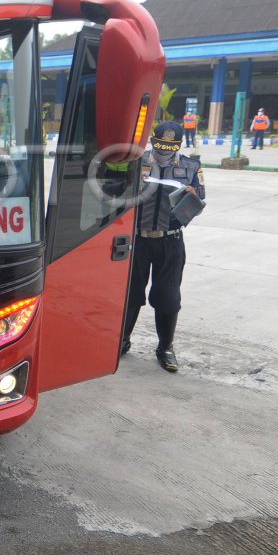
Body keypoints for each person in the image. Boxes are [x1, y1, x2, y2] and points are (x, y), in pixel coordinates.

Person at [122, 121, 205, 373]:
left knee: (168, 296)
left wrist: (191, 195)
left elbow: (200, 201)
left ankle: (165, 347)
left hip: (170, 240)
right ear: (153, 142)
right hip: (137, 239)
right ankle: (121, 341)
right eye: (160, 146)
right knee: (131, 293)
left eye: (170, 147)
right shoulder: (136, 162)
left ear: (178, 145)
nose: (164, 151)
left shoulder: (191, 166)